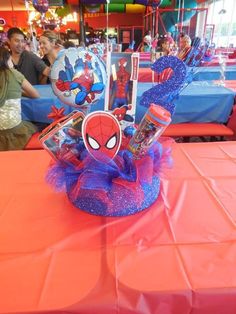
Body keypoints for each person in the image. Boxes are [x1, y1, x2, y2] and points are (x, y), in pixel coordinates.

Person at [0, 47, 40, 151]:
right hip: (14, 132)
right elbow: (35, 95)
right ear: (6, 60)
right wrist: (18, 92)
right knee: (37, 124)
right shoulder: (14, 74)